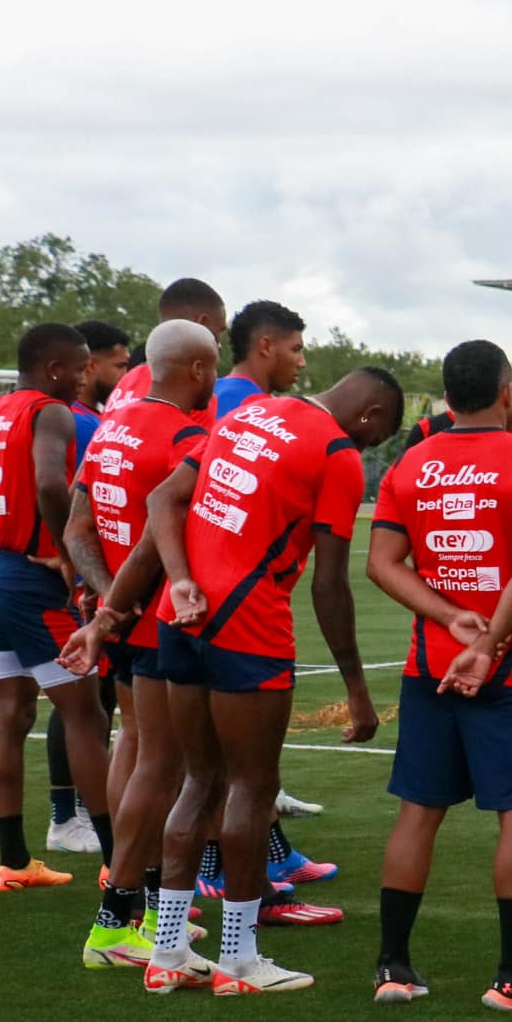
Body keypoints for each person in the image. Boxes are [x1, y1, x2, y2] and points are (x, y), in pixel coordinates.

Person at [71, 369, 403, 993]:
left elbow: (160, 505)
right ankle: (240, 960)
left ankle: (167, 954)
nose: (369, 449)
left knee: (197, 782)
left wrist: (112, 614)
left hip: (177, 618)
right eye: (377, 435)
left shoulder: (245, 415)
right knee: (251, 788)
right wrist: (357, 688)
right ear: (372, 412)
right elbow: (329, 583)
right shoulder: (334, 451)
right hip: (248, 625)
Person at [367, 341, 512, 1010]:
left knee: (418, 814)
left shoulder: (413, 464)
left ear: (449, 399)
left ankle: (393, 968)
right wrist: (487, 638)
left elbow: (383, 563)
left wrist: (451, 619)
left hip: (428, 669)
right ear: (507, 392)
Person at [0, 323, 114, 892]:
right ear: (56, 369)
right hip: (33, 584)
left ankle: (14, 861)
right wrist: (66, 556)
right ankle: (118, 865)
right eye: (81, 366)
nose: (86, 375)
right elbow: (51, 487)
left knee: (13, 711)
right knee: (86, 715)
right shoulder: (48, 412)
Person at [61, 319, 219, 967]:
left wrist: (103, 602)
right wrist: (120, 610)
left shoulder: (110, 428)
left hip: (124, 620)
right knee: (166, 766)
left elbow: (76, 531)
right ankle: (115, 920)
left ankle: (148, 909)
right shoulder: (188, 437)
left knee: (136, 750)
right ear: (200, 371)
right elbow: (162, 540)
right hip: (156, 623)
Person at [195, 298, 336, 879]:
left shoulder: (236, 403)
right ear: (267, 346)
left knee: (211, 763)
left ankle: (267, 856)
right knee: (217, 765)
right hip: (229, 601)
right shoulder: (242, 406)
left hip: (198, 594)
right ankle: (223, 877)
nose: (301, 363)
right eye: (297, 348)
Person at [40, 319, 133, 855]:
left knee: (87, 698)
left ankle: (78, 809)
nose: (123, 374)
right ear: (89, 365)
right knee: (80, 696)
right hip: (80, 577)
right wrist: (69, 556)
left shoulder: (89, 420)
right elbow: (61, 493)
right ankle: (67, 814)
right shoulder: (76, 421)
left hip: (88, 573)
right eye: (117, 364)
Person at [105, 278, 226, 427]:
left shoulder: (127, 381)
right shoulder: (191, 388)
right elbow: (194, 448)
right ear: (202, 323)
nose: (219, 345)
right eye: (219, 332)